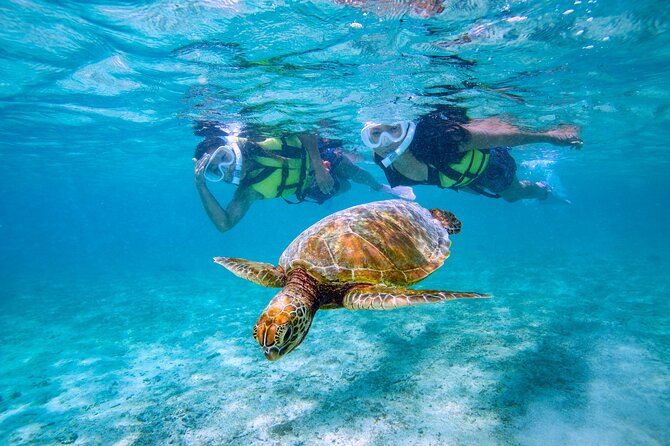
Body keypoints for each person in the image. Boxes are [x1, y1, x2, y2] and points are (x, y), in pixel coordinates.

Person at [193, 122, 415, 232]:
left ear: (229, 147)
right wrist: (201, 185)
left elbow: (305, 130)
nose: (227, 169)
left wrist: (319, 168)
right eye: (215, 172)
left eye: (223, 158)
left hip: (316, 156)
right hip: (308, 187)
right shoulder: (247, 191)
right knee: (344, 187)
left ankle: (382, 187)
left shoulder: (255, 136)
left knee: (355, 172)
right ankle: (346, 170)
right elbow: (224, 224)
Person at [360, 106, 582, 202]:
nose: (386, 141)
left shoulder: (440, 140)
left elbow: (502, 135)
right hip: (457, 177)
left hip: (490, 167)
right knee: (475, 192)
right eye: (376, 134)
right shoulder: (379, 158)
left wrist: (550, 136)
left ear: (406, 127)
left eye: (394, 129)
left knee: (514, 196)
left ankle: (544, 191)